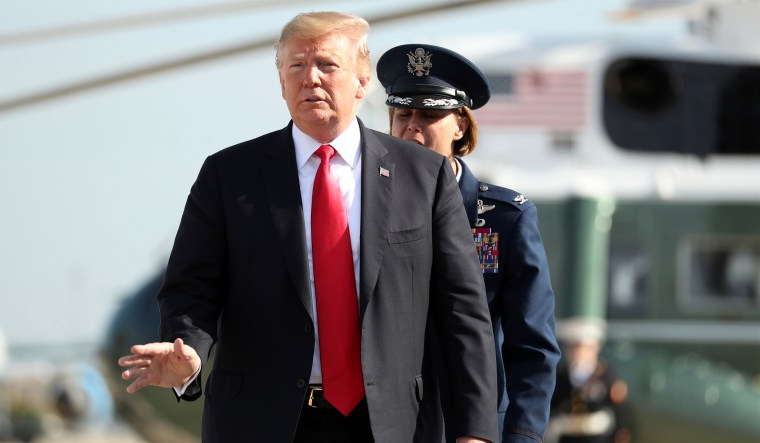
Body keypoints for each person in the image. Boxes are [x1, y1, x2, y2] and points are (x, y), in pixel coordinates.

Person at [117, 12, 498, 443]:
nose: (310, 79)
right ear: (281, 82)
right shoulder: (228, 176)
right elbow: (191, 288)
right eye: (296, 66)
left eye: (327, 65)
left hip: (392, 424)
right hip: (261, 421)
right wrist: (188, 352)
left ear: (361, 81)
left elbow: (463, 311)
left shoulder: (424, 177)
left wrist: (475, 431)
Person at [376, 44, 562, 443]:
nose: (412, 127)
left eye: (429, 115)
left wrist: (522, 436)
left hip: (471, 429)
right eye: (402, 114)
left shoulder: (506, 218)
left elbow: (533, 347)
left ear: (460, 126)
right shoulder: (365, 209)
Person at [546, 319, 630, 443]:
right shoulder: (560, 376)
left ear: (595, 349)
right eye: (574, 349)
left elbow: (620, 414)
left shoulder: (606, 377)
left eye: (584, 349)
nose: (579, 353)